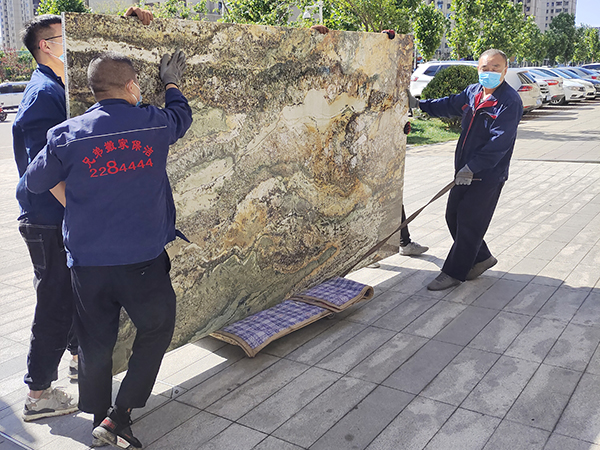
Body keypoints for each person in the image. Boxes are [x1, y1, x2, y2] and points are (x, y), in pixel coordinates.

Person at [25, 50, 192, 448]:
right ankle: (119, 415)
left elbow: (34, 181)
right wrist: (171, 83)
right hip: (142, 261)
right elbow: (181, 116)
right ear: (132, 86)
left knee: (95, 341)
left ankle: (99, 414)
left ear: (93, 91)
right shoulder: (152, 123)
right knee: (157, 328)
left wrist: (75, 202)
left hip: (88, 263)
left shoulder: (66, 134)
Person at [13, 8, 153, 423]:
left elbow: (107, 72)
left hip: (58, 216)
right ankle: (38, 393)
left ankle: (78, 361)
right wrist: (79, 208)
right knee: (55, 302)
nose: (72, 42)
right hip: (46, 218)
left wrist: (126, 25)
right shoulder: (44, 94)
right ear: (46, 46)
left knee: (73, 294)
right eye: (65, 36)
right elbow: (40, 170)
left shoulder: (60, 85)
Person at [409, 49, 523, 291]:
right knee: (453, 216)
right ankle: (482, 258)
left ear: (505, 69)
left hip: (487, 174)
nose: (489, 72)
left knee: (470, 223)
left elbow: (500, 142)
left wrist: (474, 167)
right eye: (485, 68)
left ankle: (453, 273)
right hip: (463, 170)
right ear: (478, 69)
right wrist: (420, 105)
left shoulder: (509, 101)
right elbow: (449, 104)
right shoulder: (473, 92)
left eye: (495, 68)